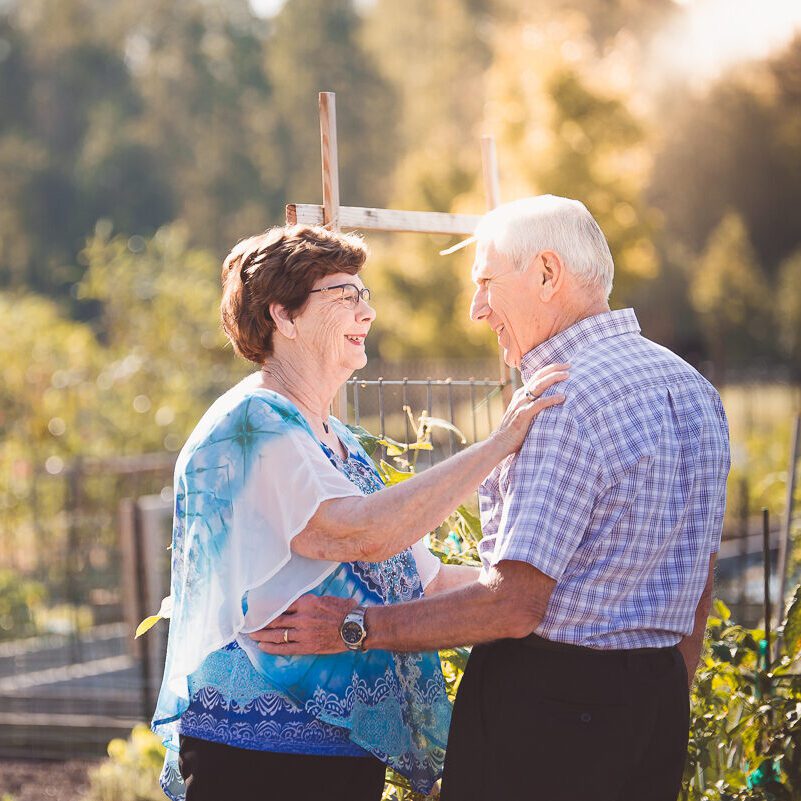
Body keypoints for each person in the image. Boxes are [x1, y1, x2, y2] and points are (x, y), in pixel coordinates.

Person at [251, 197, 731, 801]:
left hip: (551, 718)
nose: (478, 310)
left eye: (485, 283)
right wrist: (659, 694)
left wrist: (355, 627)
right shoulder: (694, 389)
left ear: (547, 275)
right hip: (655, 707)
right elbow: (700, 579)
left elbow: (514, 606)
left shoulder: (560, 398)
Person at [150, 223, 567, 801]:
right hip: (256, 759)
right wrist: (499, 445)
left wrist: (549, 588)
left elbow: (427, 580)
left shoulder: (338, 441)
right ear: (284, 317)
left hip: (337, 756)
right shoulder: (250, 423)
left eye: (364, 295)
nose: (367, 313)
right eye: (345, 295)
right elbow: (359, 534)